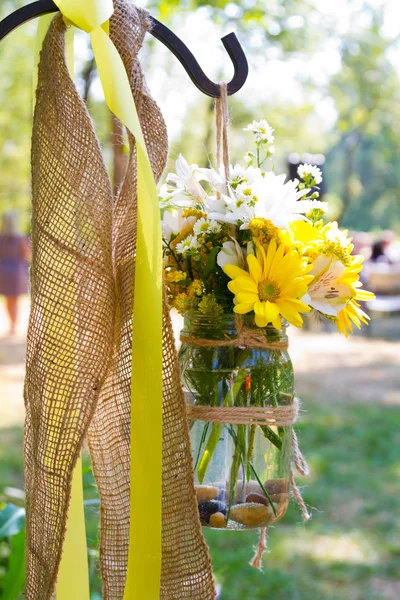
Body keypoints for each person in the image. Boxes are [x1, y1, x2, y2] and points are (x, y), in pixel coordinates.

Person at [0, 212, 29, 335]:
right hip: (17, 270)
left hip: (4, 270)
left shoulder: (1, 239)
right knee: (16, 300)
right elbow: (27, 254)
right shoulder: (20, 238)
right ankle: (14, 325)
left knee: (8, 300)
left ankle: (12, 325)